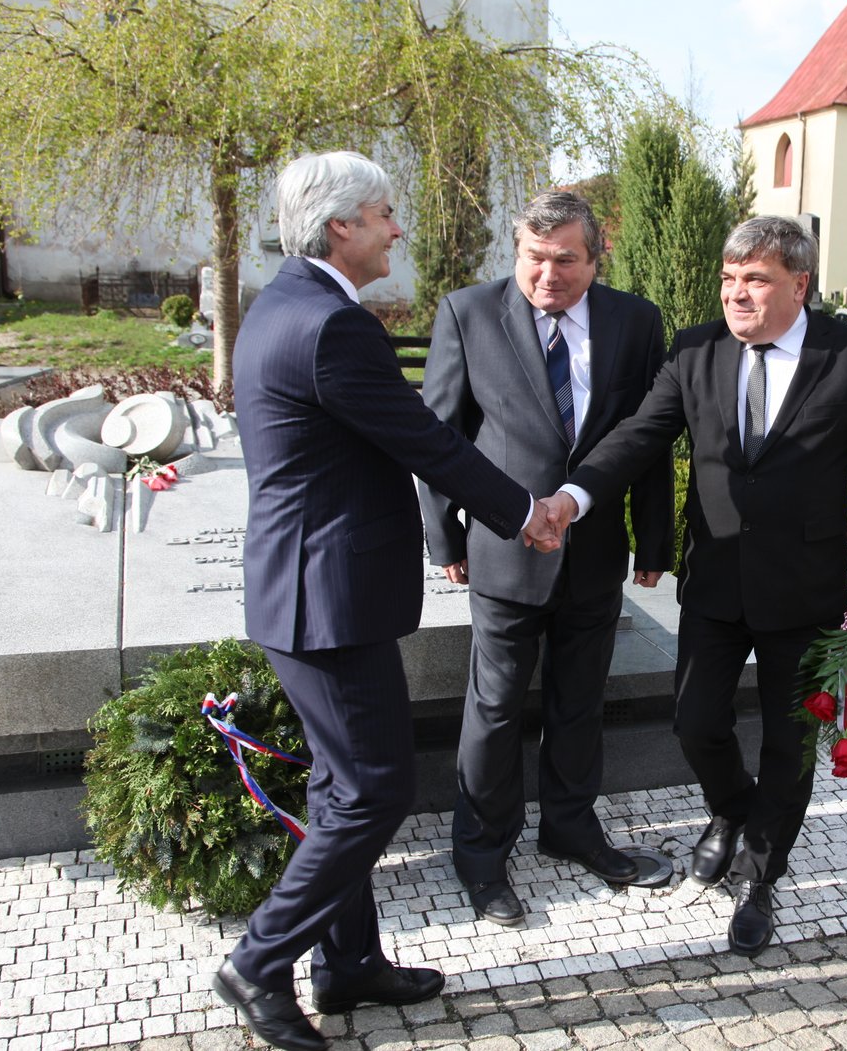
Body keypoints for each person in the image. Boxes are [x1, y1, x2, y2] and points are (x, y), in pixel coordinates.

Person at [213, 151, 561, 1051]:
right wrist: (524, 510)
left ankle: (349, 963)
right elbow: (425, 441)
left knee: (340, 786)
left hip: (311, 589)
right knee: (374, 789)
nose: (396, 228)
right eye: (383, 215)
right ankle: (258, 961)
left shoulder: (284, 305)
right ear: (342, 227)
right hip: (325, 598)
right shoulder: (332, 326)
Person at [542, 215, 847, 957]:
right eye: (729, 279)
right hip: (714, 580)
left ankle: (760, 875)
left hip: (802, 587)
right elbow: (640, 434)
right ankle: (734, 807)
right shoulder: (695, 349)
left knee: (790, 743)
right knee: (693, 720)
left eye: (756, 279)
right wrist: (574, 498)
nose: (737, 293)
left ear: (799, 284)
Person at [418, 190, 674, 926]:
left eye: (565, 260)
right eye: (534, 257)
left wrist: (654, 540)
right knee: (495, 709)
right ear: (517, 251)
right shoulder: (469, 312)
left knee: (579, 702)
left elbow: (649, 436)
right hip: (502, 555)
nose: (547, 275)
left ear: (596, 258)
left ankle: (569, 827)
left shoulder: (635, 322)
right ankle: (481, 854)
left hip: (595, 553)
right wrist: (446, 538)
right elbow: (439, 437)